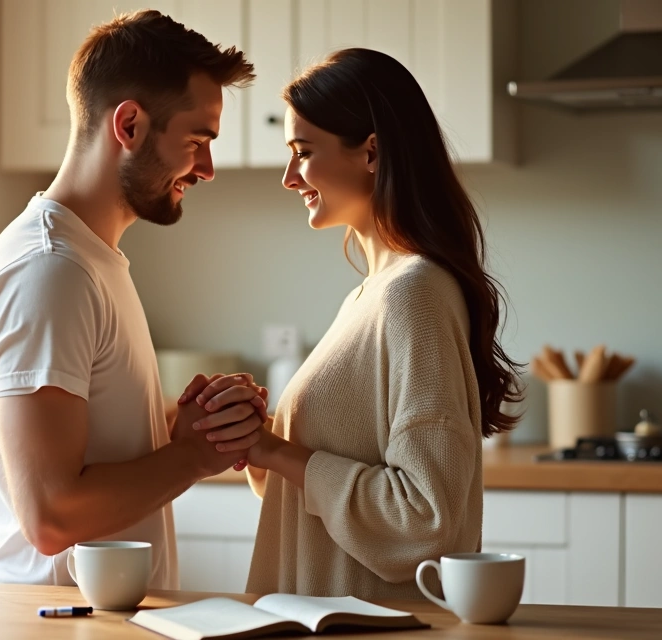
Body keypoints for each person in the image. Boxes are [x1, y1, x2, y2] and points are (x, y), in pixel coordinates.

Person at [186, 48, 522, 600]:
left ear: (371, 152)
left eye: (303, 152)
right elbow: (316, 480)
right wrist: (260, 434)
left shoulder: (414, 295)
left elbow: (423, 521)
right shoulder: (373, 295)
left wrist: (276, 451)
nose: (291, 177)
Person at [0, 10, 266, 589]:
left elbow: (94, 444)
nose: (206, 168)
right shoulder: (50, 271)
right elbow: (51, 517)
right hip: (52, 622)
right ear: (128, 125)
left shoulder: (89, 260)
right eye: (197, 141)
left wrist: (192, 427)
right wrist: (198, 459)